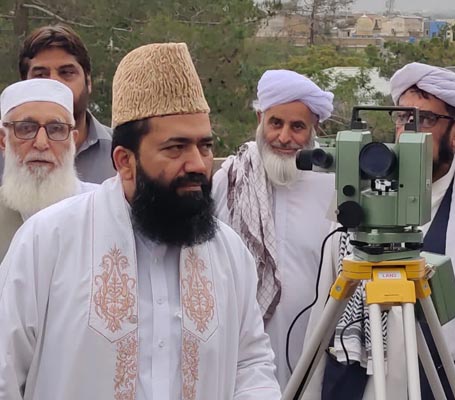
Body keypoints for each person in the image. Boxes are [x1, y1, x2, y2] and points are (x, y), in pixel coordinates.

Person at [0, 42, 280, 399]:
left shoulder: (228, 252)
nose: (197, 163)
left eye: (205, 146)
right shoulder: (48, 240)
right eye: (175, 148)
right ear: (124, 161)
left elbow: (251, 364)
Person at [309, 62, 455, 400]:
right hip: (359, 382)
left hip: (441, 383)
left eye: (424, 120)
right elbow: (327, 300)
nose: (407, 131)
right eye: (402, 118)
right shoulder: (360, 189)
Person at [212, 69, 336, 389]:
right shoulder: (231, 179)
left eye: (297, 127)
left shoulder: (333, 185)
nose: (283, 137)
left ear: (314, 129)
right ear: (260, 118)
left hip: (315, 343)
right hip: (239, 342)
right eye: (275, 123)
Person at [0, 24, 114, 184]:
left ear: (88, 82)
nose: (55, 84)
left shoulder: (122, 153)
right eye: (40, 75)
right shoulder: (5, 148)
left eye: (66, 73)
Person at [0, 79, 97, 260]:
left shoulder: (103, 208)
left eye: (56, 129)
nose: (41, 143)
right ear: (3, 140)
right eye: (26, 128)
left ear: (72, 141)